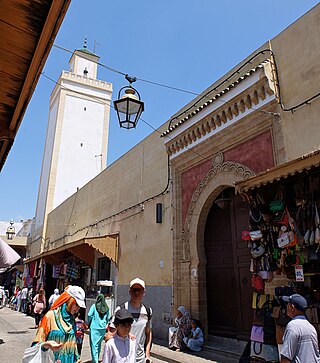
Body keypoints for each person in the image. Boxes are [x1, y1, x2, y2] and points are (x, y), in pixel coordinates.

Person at [32, 285, 86, 363]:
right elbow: (36, 344)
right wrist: (46, 345)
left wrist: (76, 358)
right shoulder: (50, 317)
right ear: (69, 301)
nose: (78, 308)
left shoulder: (72, 321)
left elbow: (73, 345)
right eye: (77, 304)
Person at [112, 277, 153, 363]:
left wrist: (147, 354)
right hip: (122, 358)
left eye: (139, 290)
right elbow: (109, 336)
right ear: (129, 291)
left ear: (144, 292)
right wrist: (126, 334)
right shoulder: (121, 310)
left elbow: (148, 333)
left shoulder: (147, 311)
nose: (136, 292)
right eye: (134, 290)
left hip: (140, 359)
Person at [281, 293, 320, 363]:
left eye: (287, 304)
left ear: (292, 307)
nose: (286, 306)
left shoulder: (292, 326)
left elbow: (286, 357)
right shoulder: (311, 327)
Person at [88, 293, 110, 363]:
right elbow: (108, 318)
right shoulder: (106, 308)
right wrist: (105, 323)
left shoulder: (94, 306)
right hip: (102, 328)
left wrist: (90, 322)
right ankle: (96, 358)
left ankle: (95, 360)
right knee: (99, 344)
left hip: (94, 327)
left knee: (94, 345)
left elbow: (89, 315)